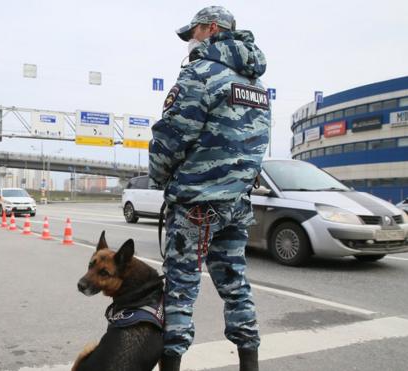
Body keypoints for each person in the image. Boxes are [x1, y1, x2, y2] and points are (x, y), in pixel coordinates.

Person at [148, 6, 270, 371]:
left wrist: (159, 177)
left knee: (181, 291)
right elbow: (258, 141)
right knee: (236, 285)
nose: (189, 40)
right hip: (236, 202)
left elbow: (171, 138)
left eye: (193, 32)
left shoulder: (200, 74)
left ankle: (171, 365)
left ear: (211, 29)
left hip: (197, 203)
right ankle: (250, 363)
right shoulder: (256, 84)